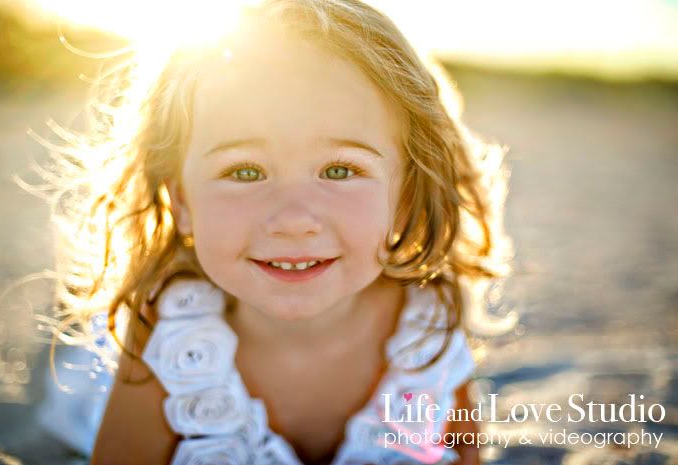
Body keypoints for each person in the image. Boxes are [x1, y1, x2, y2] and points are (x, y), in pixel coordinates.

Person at [43, 1, 513, 464]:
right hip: (100, 383)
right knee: (79, 381)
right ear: (182, 202)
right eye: (245, 172)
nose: (293, 219)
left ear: (405, 195)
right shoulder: (168, 334)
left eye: (340, 169)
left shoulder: (426, 328)